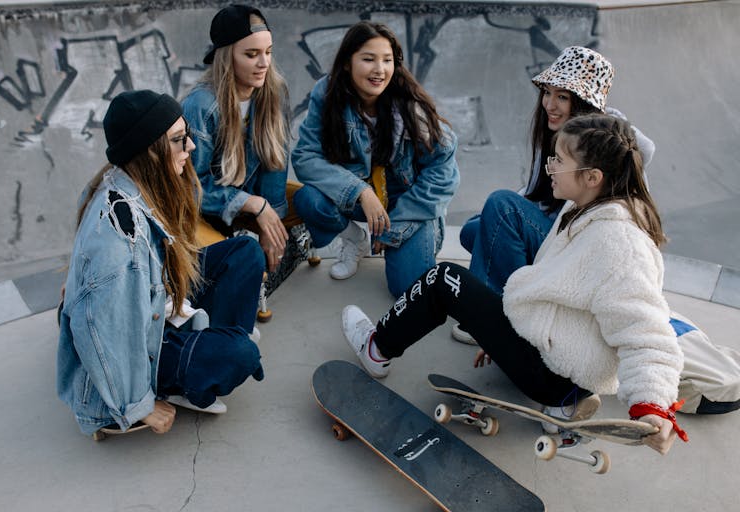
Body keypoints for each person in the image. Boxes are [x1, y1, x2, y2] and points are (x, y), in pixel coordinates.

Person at [341, 114, 687, 455]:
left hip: (551, 373)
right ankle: (562, 406)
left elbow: (647, 334)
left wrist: (653, 407)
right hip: (559, 365)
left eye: (559, 161)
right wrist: (504, 332)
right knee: (478, 279)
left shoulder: (621, 243)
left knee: (445, 278)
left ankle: (377, 349)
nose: (549, 167)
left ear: (592, 176)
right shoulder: (587, 208)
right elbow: (557, 288)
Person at [57, 90, 265, 436]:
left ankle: (207, 345)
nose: (191, 148)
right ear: (150, 152)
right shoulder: (119, 243)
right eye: (180, 140)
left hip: (156, 307)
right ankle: (181, 380)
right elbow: (94, 329)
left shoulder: (136, 185)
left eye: (188, 136)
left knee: (244, 252)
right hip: (141, 346)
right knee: (240, 354)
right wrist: (139, 405)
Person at [453, 46, 655, 344]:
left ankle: (494, 315)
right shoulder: (555, 135)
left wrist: (508, 212)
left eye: (563, 96)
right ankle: (514, 294)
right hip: (556, 232)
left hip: (576, 249)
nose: (550, 104)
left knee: (500, 207)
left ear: (585, 103)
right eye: (547, 93)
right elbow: (535, 192)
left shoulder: (601, 151)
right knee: (475, 228)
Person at [292, 21, 460, 298]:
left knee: (408, 290)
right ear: (347, 62)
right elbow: (305, 156)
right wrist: (359, 192)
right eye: (368, 59)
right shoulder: (328, 92)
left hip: (406, 201)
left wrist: (394, 229)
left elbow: (443, 174)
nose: (379, 70)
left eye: (387, 60)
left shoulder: (410, 104)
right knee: (308, 200)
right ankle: (354, 239)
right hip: (357, 195)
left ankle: (405, 240)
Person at [181, 5, 290, 273]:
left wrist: (271, 223)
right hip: (204, 213)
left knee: (313, 202)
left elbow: (275, 163)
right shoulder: (201, 106)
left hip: (250, 204)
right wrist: (252, 204)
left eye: (268, 52)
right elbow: (191, 188)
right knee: (233, 265)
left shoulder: (270, 91)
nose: (264, 63)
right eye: (251, 54)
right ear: (228, 57)